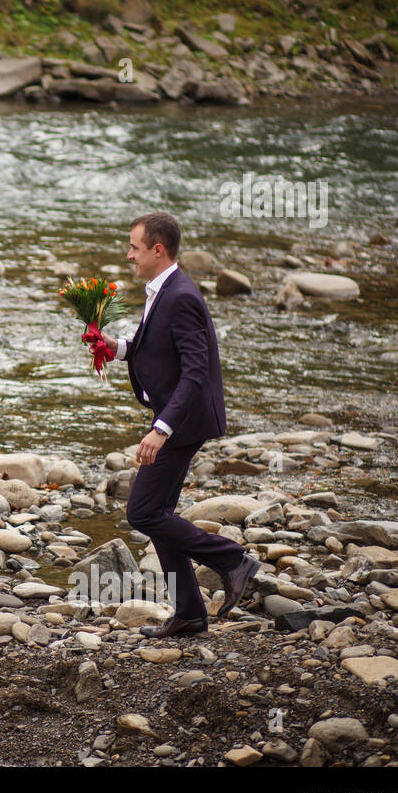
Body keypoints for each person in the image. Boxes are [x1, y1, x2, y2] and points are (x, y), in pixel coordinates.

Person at [90, 212, 261, 638]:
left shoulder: (182, 295)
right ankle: (189, 613)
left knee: (143, 511)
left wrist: (161, 428)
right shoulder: (162, 288)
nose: (129, 254)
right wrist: (119, 347)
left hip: (183, 419)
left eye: (134, 247)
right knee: (158, 512)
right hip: (177, 414)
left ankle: (232, 559)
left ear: (157, 250)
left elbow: (195, 372)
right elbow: (156, 345)